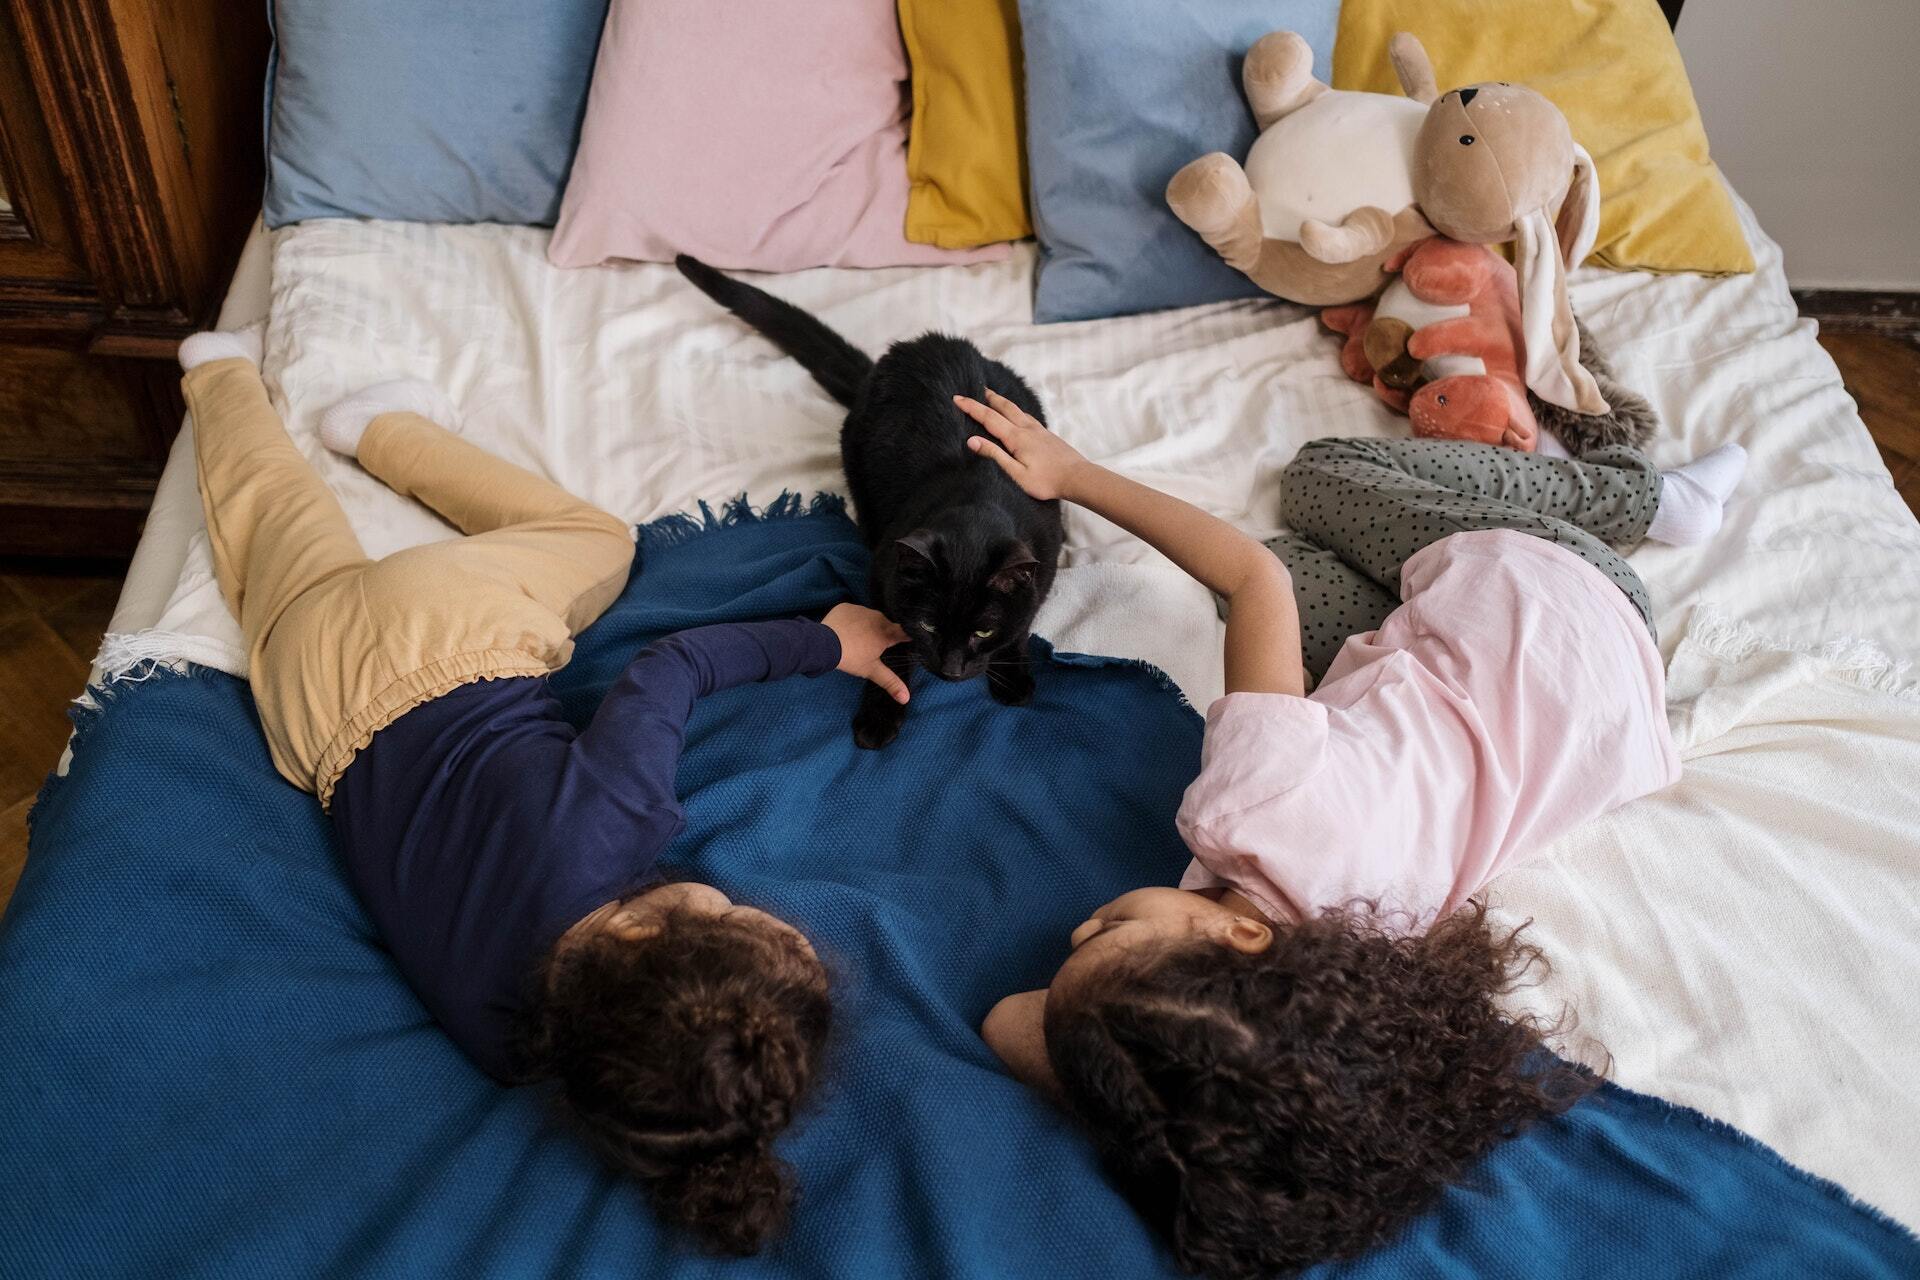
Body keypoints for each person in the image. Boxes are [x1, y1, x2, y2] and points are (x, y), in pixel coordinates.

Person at [955, 388, 1744, 1279]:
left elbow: (1008, 1026)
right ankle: (1646, 500)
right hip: (1547, 590)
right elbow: (1254, 575)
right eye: (1113, 932)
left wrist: (1124, 1081)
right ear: (1240, 934)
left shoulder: (1375, 960)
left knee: (1300, 554)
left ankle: (1618, 495)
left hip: (1610, 695)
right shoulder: (1249, 810)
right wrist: (1075, 474)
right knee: (1324, 479)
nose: (1081, 926)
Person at [175, 325, 910, 1255]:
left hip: (445, 633)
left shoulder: (618, 819)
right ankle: (221, 379)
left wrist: (824, 640)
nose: (743, 901)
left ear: (649, 928)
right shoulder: (505, 1043)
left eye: (733, 914)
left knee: (595, 539)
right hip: (314, 702)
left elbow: (672, 665)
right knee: (271, 520)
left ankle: (386, 433)